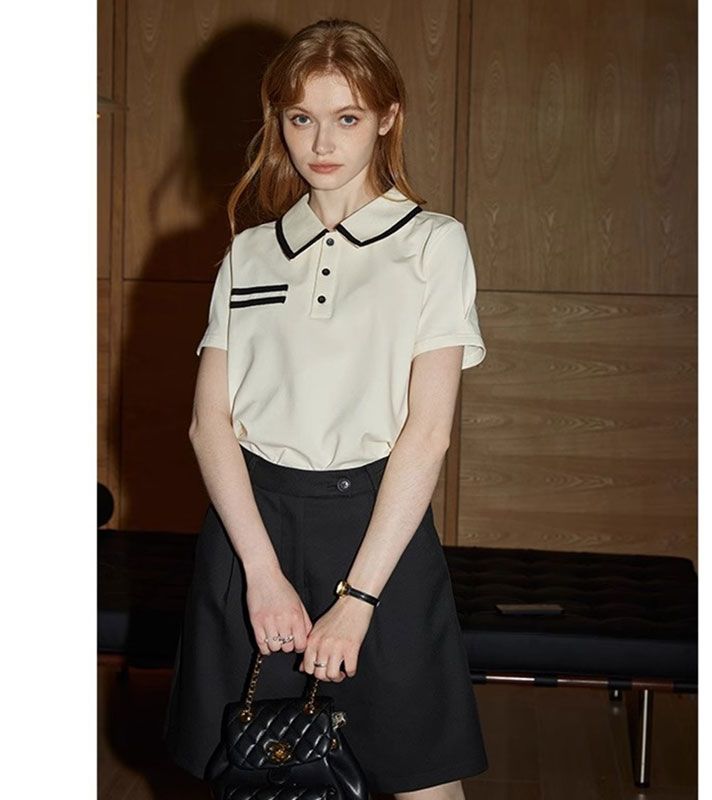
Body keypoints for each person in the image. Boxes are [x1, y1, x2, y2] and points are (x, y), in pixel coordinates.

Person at [162, 17, 489, 800]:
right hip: (252, 529)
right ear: (278, 121)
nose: (322, 142)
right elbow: (210, 425)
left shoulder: (433, 244)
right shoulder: (249, 252)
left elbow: (428, 434)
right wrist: (261, 573)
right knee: (255, 774)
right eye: (301, 118)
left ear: (387, 117)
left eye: (347, 117)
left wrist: (359, 599)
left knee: (426, 784)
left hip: (378, 531)